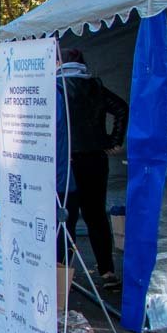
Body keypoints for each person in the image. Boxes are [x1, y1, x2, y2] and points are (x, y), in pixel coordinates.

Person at [56, 48, 129, 290]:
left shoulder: (56, 88)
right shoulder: (94, 86)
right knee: (96, 215)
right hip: (96, 159)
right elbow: (121, 108)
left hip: (66, 160)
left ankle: (62, 277)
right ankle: (107, 271)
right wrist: (113, 141)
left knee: (65, 217)